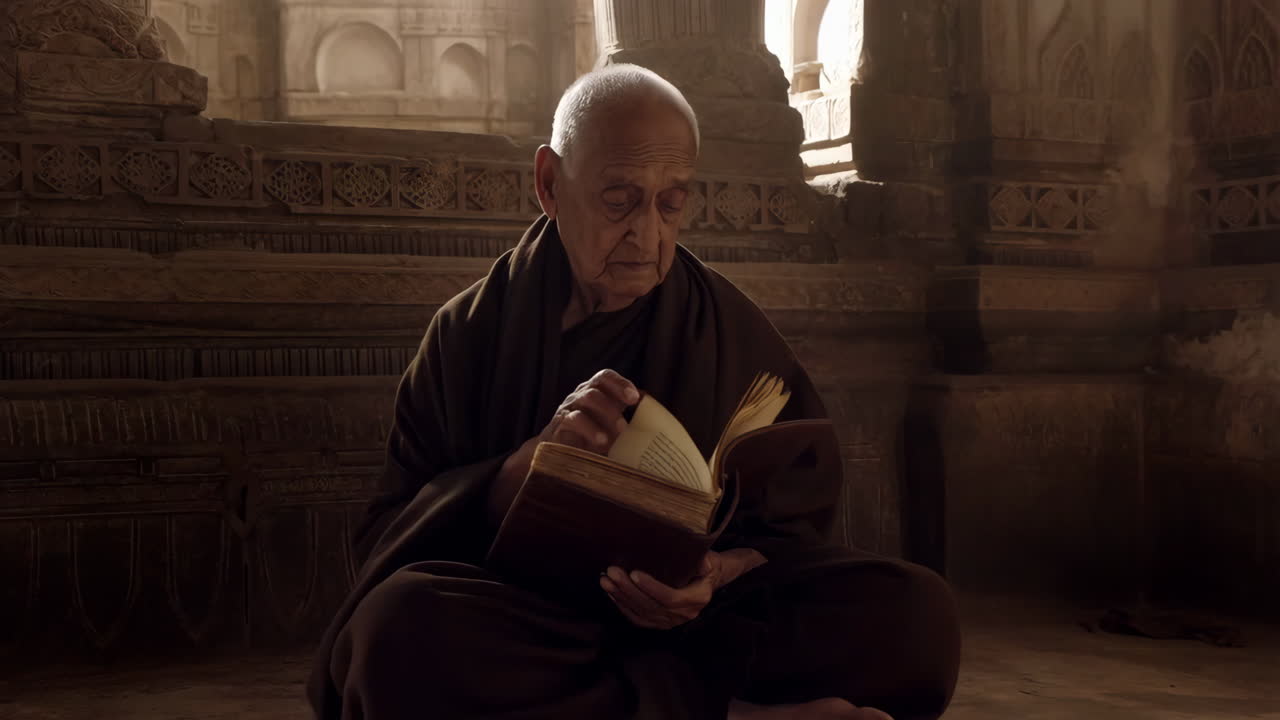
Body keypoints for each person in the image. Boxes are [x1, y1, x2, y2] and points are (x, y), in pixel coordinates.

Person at [307, 64, 961, 720]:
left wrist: (718, 573)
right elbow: (388, 542)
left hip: (696, 625)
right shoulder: (469, 334)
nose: (647, 235)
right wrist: (523, 471)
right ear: (549, 184)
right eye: (619, 199)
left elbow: (790, 519)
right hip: (534, 623)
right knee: (396, 632)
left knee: (917, 617)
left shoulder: (721, 323)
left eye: (670, 203)